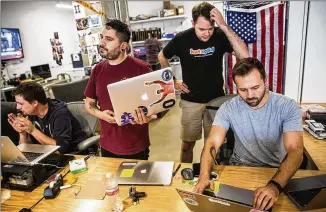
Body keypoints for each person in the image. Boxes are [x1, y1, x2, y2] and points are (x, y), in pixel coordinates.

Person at [194, 58, 304, 211]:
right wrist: (204, 175)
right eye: (243, 90)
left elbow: (296, 151)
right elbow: (212, 143)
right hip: (240, 168)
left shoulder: (287, 106)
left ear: (265, 80)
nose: (250, 95)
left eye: (255, 87)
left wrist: (274, 186)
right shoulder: (228, 108)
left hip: (276, 171)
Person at [158, 2, 249, 163]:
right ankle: (185, 173)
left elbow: (245, 57)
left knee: (213, 145)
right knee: (187, 145)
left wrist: (223, 26)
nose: (206, 34)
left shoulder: (220, 35)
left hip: (215, 101)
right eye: (201, 29)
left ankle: (210, 176)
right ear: (193, 24)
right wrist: (172, 81)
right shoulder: (182, 39)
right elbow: (162, 56)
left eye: (210, 28)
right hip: (190, 100)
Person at [84, 19, 156, 160]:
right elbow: (89, 104)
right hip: (106, 146)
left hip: (134, 146)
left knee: (135, 182)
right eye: (102, 37)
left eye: (109, 39)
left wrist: (147, 118)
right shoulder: (97, 70)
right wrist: (102, 115)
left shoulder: (141, 68)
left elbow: (155, 107)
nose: (102, 43)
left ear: (123, 45)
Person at [8, 82, 87, 153]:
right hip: (48, 154)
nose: (18, 107)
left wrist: (32, 130)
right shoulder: (30, 114)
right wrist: (23, 133)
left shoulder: (60, 114)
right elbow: (25, 149)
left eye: (21, 104)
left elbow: (60, 149)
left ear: (35, 103)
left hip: (73, 155)